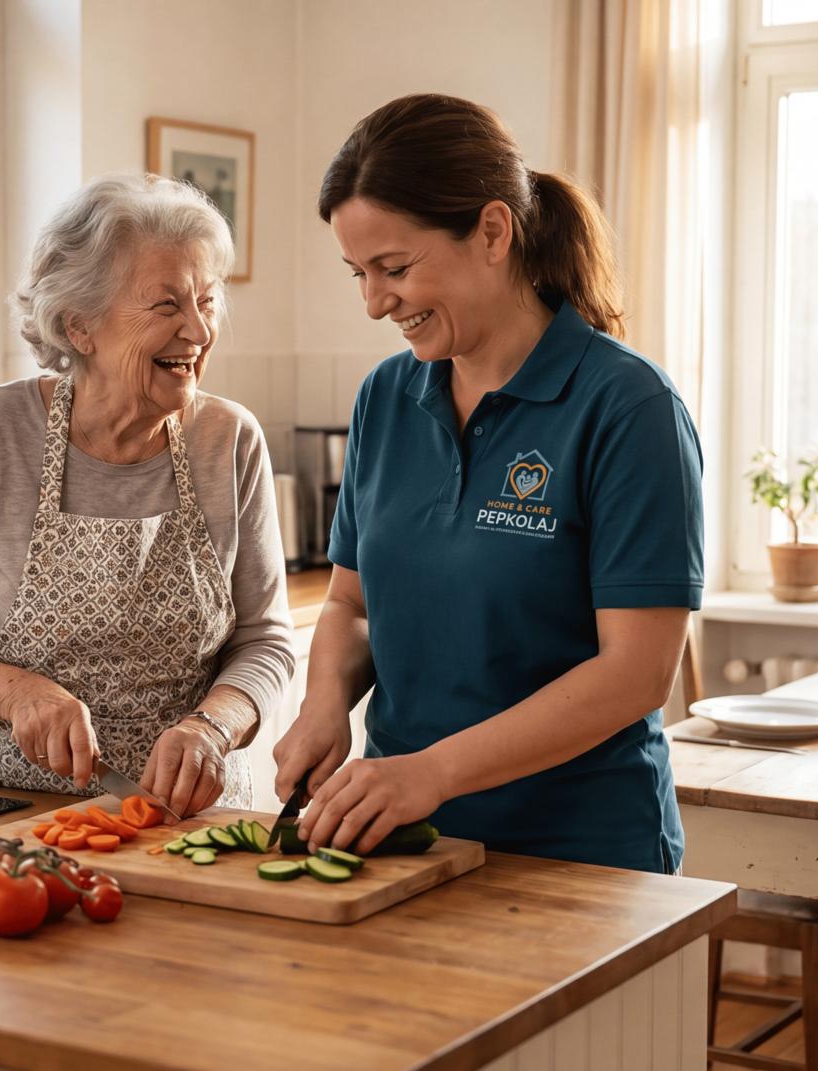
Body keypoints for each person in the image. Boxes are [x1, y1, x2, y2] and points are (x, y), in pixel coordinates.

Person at [272, 93, 703, 872]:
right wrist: (324, 703)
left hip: (581, 857)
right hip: (400, 848)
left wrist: (430, 772)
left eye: (395, 268)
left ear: (493, 232)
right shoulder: (385, 398)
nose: (374, 303)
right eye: (358, 274)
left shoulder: (629, 407)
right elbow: (352, 604)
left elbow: (636, 672)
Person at [0, 173, 295, 817]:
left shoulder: (230, 440)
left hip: (179, 819)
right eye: (166, 306)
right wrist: (19, 694)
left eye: (207, 302)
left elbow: (265, 641)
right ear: (79, 327)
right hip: (3, 812)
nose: (197, 330)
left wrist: (211, 727)